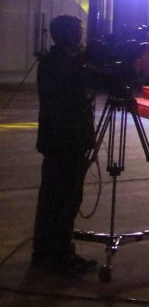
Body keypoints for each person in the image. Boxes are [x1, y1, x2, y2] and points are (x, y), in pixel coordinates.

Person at [31, 15, 97, 275]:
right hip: (68, 140)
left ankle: (44, 252)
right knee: (65, 199)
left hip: (54, 140)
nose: (81, 34)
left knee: (50, 197)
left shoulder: (51, 62)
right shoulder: (66, 66)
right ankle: (61, 256)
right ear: (69, 34)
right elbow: (80, 93)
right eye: (77, 30)